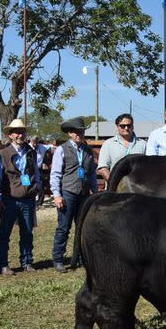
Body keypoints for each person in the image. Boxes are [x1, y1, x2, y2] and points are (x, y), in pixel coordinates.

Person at [50, 117, 98, 273]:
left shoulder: (88, 151)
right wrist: (57, 195)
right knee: (64, 227)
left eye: (81, 131)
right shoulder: (61, 150)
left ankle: (80, 257)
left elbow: (91, 174)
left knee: (82, 227)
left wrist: (95, 192)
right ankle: (58, 259)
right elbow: (55, 174)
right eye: (76, 131)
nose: (79, 134)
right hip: (68, 192)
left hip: (83, 194)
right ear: (69, 133)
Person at [0, 119, 39, 275]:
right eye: (16, 132)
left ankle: (27, 262)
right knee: (5, 233)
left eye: (22, 132)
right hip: (9, 200)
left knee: (27, 232)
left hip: (28, 199)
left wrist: (38, 188)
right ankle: (3, 264)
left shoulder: (31, 152)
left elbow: (36, 173)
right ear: (10, 135)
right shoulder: (1, 155)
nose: (20, 135)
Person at [97, 113, 147, 184]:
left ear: (132, 126)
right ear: (117, 127)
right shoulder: (108, 144)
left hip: (137, 189)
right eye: (123, 126)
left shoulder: (143, 144)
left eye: (129, 125)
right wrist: (114, 183)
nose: (126, 128)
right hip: (115, 190)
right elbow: (102, 168)